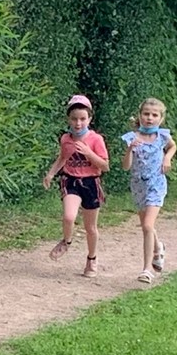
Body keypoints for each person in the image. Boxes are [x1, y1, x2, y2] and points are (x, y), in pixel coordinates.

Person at [43, 94, 110, 278]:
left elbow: (105, 166)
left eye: (82, 119)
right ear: (68, 119)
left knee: (90, 228)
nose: (78, 123)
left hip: (91, 182)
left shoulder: (96, 139)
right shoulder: (66, 138)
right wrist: (51, 174)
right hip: (71, 180)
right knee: (68, 216)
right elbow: (62, 158)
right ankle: (67, 241)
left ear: (89, 119)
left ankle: (92, 258)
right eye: (74, 119)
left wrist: (88, 153)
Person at [121, 97, 177, 285]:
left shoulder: (162, 136)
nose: (150, 118)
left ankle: (146, 269)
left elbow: (172, 146)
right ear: (140, 116)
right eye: (146, 114)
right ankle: (158, 247)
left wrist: (167, 158)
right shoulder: (132, 138)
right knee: (147, 225)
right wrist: (129, 150)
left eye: (154, 115)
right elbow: (126, 167)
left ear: (161, 119)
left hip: (156, 185)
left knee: (147, 225)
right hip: (139, 186)